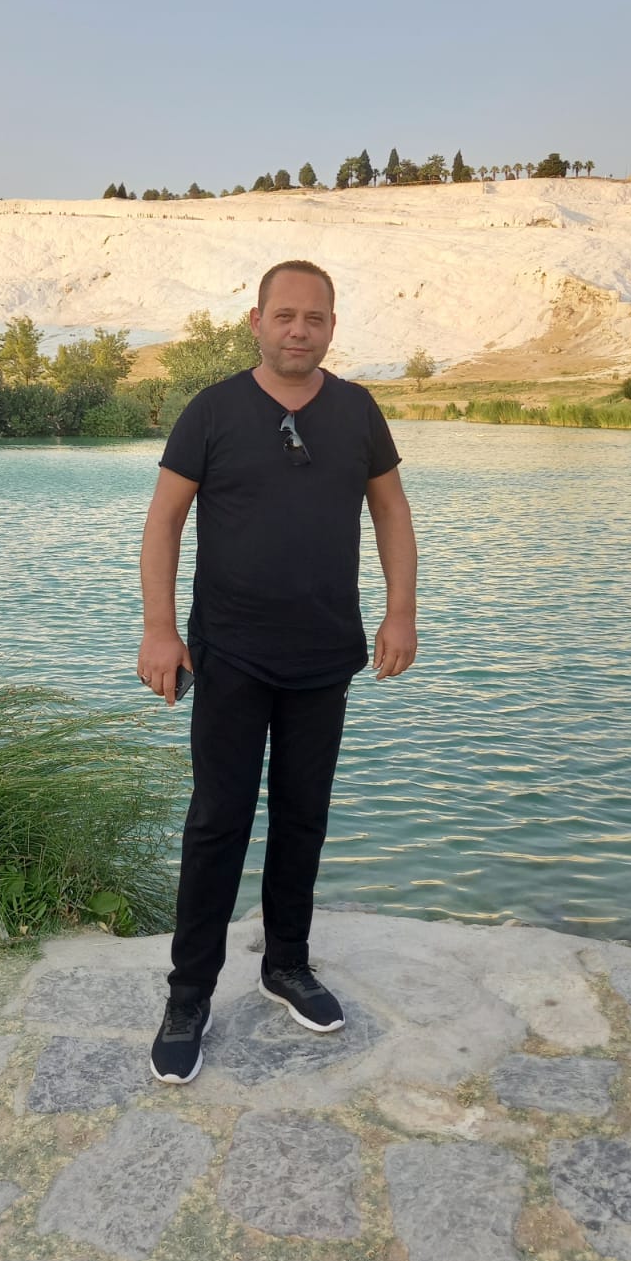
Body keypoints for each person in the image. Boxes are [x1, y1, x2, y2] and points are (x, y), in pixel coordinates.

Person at [137, 259, 418, 1083]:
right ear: (256, 321)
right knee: (217, 822)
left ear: (331, 327)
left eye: (315, 318)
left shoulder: (357, 411)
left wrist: (401, 613)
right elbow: (163, 522)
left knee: (303, 817)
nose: (300, 330)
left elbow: (392, 512)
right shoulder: (213, 410)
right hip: (228, 654)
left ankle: (286, 964)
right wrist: (159, 631)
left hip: (324, 653)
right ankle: (189, 995)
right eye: (285, 315)